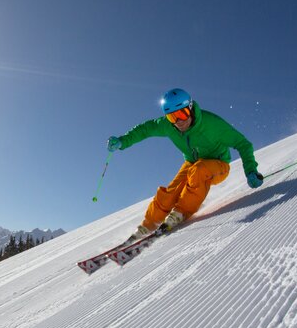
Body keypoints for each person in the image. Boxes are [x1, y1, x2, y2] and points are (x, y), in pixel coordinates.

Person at [107, 88, 263, 241]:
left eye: (182, 114)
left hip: (218, 165)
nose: (178, 121)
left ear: (190, 108)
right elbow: (145, 129)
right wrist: (122, 141)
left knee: (198, 170)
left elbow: (243, 144)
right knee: (171, 191)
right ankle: (148, 226)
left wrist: (251, 170)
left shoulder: (212, 124)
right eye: (172, 117)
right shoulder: (169, 126)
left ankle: (180, 213)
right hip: (192, 162)